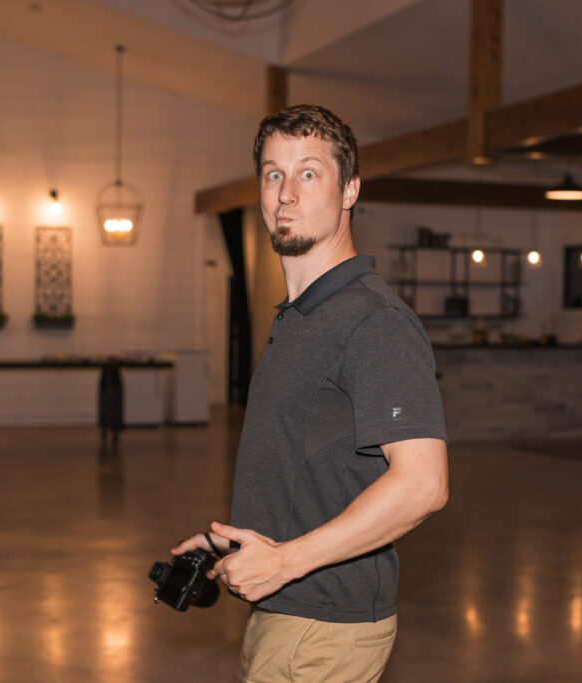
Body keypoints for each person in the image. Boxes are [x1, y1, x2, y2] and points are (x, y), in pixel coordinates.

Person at [171, 104, 449, 682]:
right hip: (286, 616)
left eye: (308, 172)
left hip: (325, 628)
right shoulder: (301, 318)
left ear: (350, 190)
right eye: (273, 174)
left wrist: (286, 562)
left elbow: (423, 485)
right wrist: (234, 546)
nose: (286, 193)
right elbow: (311, 466)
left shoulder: (374, 322)